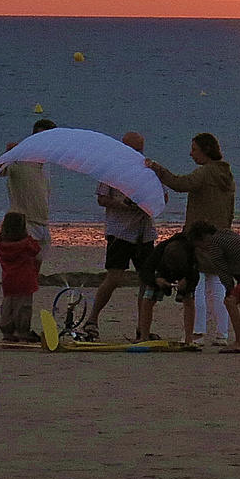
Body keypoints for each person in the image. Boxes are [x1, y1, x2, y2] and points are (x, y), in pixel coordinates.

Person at [147, 132, 236, 345]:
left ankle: (197, 332)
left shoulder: (205, 173)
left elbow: (180, 184)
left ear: (206, 150)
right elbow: (230, 209)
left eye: (194, 149)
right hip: (221, 233)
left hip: (200, 236)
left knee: (197, 284)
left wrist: (156, 168)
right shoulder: (227, 176)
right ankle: (222, 334)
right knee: (217, 285)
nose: (191, 153)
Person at [78, 131, 161, 342]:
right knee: (114, 277)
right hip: (120, 231)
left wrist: (147, 203)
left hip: (144, 232)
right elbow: (102, 199)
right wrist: (122, 204)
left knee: (147, 280)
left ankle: (142, 329)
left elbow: (163, 195)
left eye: (138, 149)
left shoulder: (148, 168)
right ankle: (92, 320)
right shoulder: (110, 169)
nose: (136, 153)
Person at [188, 221, 240, 353]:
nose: (200, 249)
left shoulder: (213, 245)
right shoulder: (225, 233)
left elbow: (223, 271)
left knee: (230, 301)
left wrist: (229, 290)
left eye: (198, 245)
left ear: (202, 237)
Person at [1, 118, 58, 250]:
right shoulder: (20, 157)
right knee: (25, 263)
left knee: (38, 262)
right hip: (25, 222)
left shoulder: (46, 163)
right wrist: (9, 153)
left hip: (43, 221)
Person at [0, 211, 42, 343]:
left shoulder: (2, 244)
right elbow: (37, 252)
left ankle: (7, 331)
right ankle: (22, 331)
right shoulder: (26, 243)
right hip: (25, 278)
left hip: (8, 279)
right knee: (23, 306)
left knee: (8, 305)